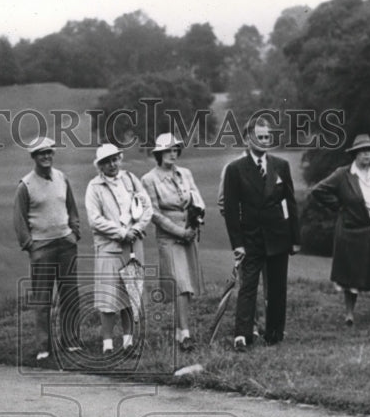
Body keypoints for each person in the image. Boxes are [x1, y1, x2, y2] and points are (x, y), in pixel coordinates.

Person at [221, 117, 300, 351]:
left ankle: (274, 333)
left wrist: (295, 239)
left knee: (277, 287)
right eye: (259, 137)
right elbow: (232, 210)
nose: (264, 141)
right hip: (251, 238)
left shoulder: (280, 165)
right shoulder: (235, 169)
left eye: (267, 137)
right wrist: (237, 243)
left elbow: (291, 203)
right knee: (248, 286)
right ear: (248, 139)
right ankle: (242, 335)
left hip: (278, 236)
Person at [309, 134, 370, 325]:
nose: (367, 155)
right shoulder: (343, 174)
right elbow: (318, 191)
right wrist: (340, 206)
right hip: (352, 230)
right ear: (355, 154)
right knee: (351, 274)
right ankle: (349, 314)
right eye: (363, 151)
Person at [13, 136, 83, 362]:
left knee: (70, 294)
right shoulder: (26, 185)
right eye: (41, 153)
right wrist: (30, 245)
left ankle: (71, 341)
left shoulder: (62, 178)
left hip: (66, 244)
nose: (46, 156)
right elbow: (19, 219)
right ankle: (44, 346)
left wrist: (74, 232)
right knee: (42, 299)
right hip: (42, 247)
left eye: (49, 152)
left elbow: (72, 208)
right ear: (34, 157)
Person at [84, 143, 153, 356]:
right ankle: (107, 343)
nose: (112, 164)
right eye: (106, 162)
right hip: (109, 248)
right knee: (108, 296)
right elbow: (95, 220)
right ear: (100, 166)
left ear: (120, 159)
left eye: (115, 159)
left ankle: (128, 341)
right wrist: (121, 233)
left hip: (133, 245)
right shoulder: (94, 187)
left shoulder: (131, 179)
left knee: (129, 294)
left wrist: (138, 228)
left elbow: (147, 207)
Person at [141, 133, 206, 351]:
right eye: (168, 150)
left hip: (189, 233)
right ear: (158, 153)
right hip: (169, 237)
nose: (173, 154)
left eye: (176, 149)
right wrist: (179, 231)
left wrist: (195, 224)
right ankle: (185, 334)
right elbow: (154, 214)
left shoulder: (185, 174)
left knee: (188, 284)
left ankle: (180, 331)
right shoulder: (149, 179)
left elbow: (197, 200)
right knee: (179, 282)